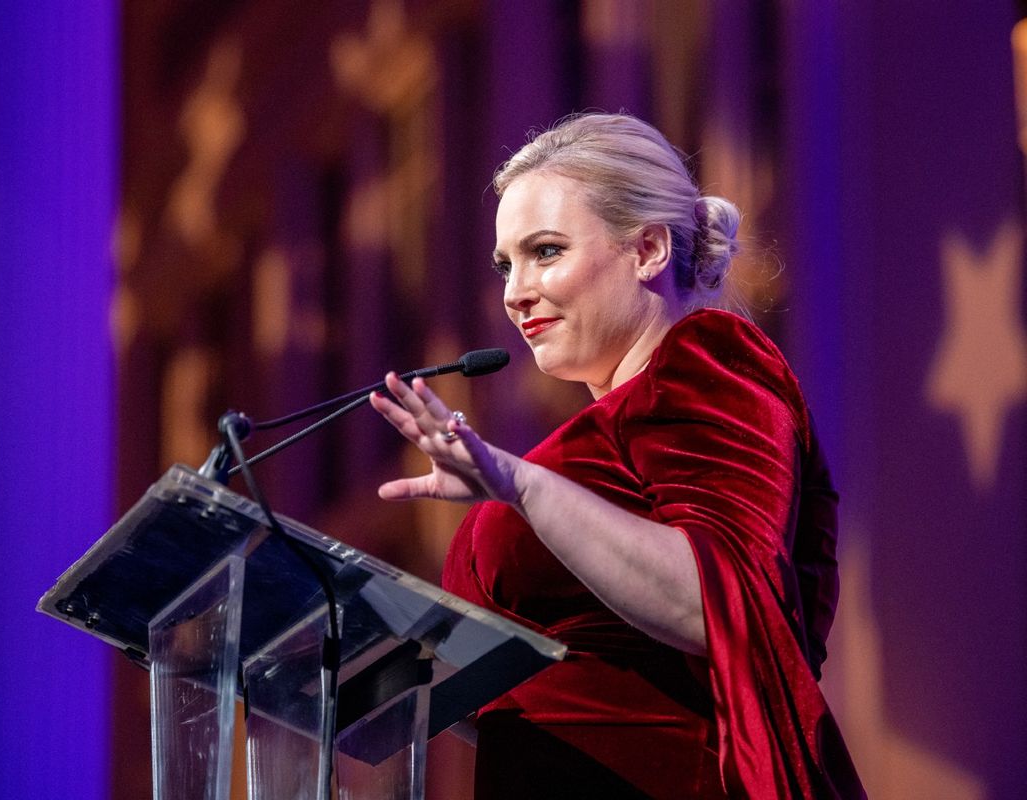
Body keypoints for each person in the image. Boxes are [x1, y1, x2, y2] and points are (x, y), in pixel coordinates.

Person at [368, 113, 865, 799]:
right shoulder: (590, 437)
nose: (514, 292)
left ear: (650, 249)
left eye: (546, 252)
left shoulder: (710, 360)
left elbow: (725, 601)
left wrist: (522, 486)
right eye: (505, 264)